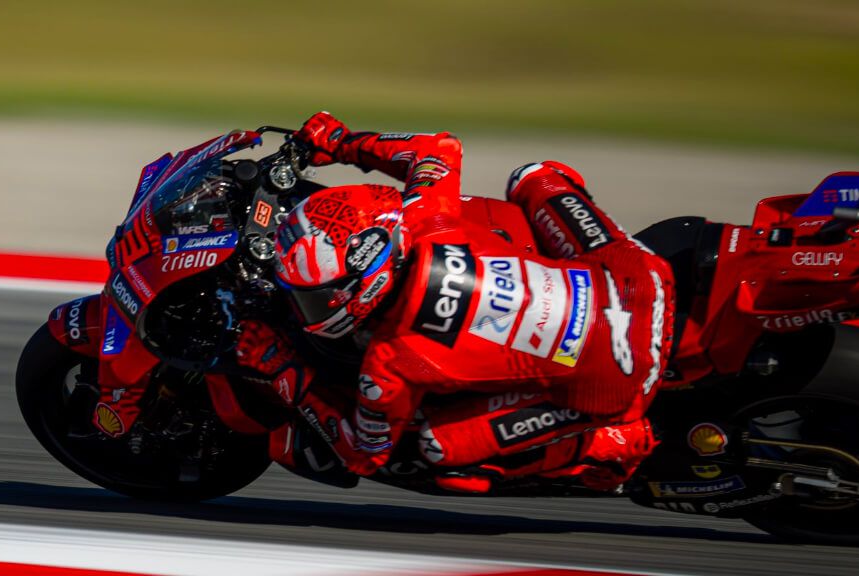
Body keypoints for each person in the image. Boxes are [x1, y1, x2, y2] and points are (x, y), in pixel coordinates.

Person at [237, 111, 676, 492]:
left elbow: (362, 454)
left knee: (437, 447)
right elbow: (438, 147)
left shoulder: (389, 363)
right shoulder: (427, 218)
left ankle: (612, 440)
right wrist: (341, 142)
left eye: (313, 300)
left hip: (612, 378)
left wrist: (282, 368)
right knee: (534, 176)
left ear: (363, 287)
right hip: (638, 278)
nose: (300, 309)